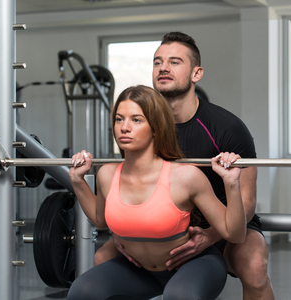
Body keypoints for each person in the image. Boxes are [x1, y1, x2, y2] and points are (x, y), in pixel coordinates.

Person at [95, 32, 275, 300]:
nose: (163, 67)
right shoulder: (141, 125)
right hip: (166, 222)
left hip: (224, 222)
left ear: (196, 73)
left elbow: (247, 203)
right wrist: (126, 232)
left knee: (254, 267)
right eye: (158, 62)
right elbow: (129, 186)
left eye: (175, 62)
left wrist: (210, 236)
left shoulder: (228, 128)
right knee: (103, 257)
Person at [67, 85, 246, 300]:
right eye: (119, 119)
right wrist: (77, 181)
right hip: (140, 271)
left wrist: (232, 183)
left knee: (179, 296)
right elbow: (100, 220)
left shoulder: (185, 177)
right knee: (82, 292)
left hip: (194, 265)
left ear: (156, 127)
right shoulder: (107, 174)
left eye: (136, 120)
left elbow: (235, 233)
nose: (125, 127)